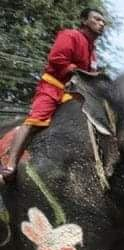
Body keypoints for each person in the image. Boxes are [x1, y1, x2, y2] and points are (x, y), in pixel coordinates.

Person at [0, 8, 106, 184]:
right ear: (84, 21)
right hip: (52, 87)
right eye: (97, 19)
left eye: (104, 22)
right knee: (36, 120)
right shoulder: (70, 35)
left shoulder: (92, 50)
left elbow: (89, 75)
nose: (101, 24)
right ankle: (9, 166)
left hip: (71, 93)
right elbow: (56, 59)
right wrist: (78, 71)